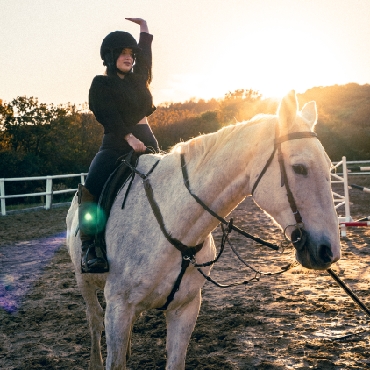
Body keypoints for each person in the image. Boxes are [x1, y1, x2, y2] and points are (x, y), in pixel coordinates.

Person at [78, 18, 159, 273]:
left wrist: (144, 28)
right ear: (111, 56)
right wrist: (129, 137)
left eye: (131, 53)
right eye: (123, 53)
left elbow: (146, 57)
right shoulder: (100, 84)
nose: (129, 57)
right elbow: (107, 114)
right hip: (115, 143)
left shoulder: (138, 79)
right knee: (92, 186)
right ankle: (90, 247)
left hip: (147, 141)